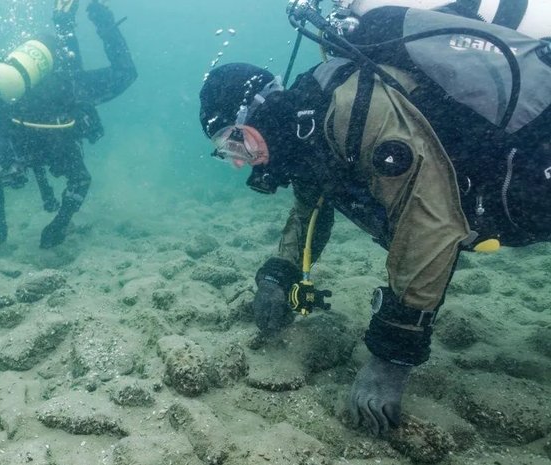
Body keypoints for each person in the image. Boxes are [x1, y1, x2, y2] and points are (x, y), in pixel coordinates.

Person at [197, 7, 551, 437]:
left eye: (236, 141)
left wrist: (391, 357)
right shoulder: (309, 128)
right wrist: (279, 276)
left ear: (257, 112)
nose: (239, 162)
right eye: (226, 152)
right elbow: (309, 210)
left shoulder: (349, 107)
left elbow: (430, 220)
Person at [0, 0, 136, 249]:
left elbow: (81, 180)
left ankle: (91, 19)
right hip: (39, 81)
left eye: (10, 172)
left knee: (122, 74)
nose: (9, 179)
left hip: (64, 91)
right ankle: (66, 24)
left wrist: (60, 222)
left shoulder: (51, 136)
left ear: (16, 153)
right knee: (70, 78)